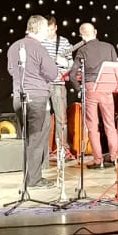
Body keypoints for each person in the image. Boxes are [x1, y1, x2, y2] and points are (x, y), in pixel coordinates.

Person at [8, 15, 62, 189]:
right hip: (37, 98)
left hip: (18, 97)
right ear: (38, 28)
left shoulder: (14, 46)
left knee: (28, 139)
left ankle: (29, 177)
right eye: (46, 28)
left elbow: (11, 70)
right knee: (37, 139)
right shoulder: (39, 48)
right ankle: (34, 180)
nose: (48, 31)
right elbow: (53, 73)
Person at [70, 22, 118, 168]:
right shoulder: (109, 47)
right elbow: (116, 67)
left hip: (90, 88)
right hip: (106, 87)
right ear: (95, 32)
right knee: (110, 124)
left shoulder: (82, 50)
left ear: (82, 36)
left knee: (92, 126)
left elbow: (73, 74)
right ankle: (114, 157)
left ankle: (98, 160)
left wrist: (79, 90)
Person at [43, 15, 75, 160]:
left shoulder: (63, 42)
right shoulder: (40, 41)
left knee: (61, 118)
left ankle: (62, 149)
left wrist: (63, 63)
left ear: (55, 27)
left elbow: (72, 65)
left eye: (51, 29)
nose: (49, 33)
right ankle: (45, 150)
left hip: (58, 84)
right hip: (42, 84)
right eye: (46, 30)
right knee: (44, 119)